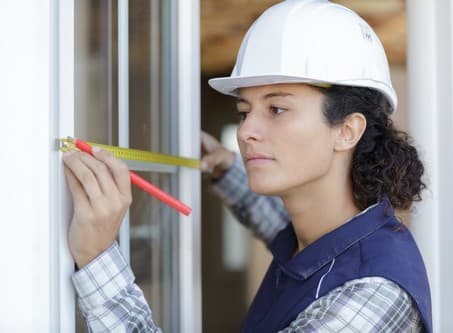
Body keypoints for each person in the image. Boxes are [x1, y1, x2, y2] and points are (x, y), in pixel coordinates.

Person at [63, 0, 432, 332]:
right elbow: (276, 225)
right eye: (244, 112)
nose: (246, 132)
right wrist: (225, 170)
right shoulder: (326, 237)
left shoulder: (371, 296)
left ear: (347, 130)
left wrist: (97, 257)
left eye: (277, 109)